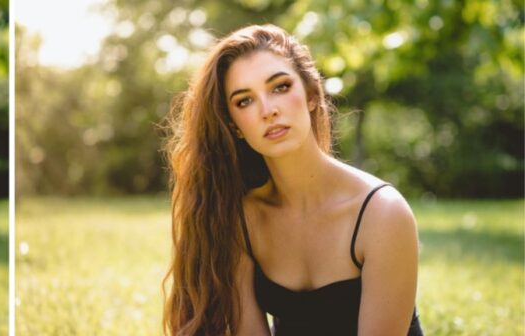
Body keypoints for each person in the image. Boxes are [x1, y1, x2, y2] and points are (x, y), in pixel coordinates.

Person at [162, 24, 423, 335]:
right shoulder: (243, 218)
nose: (268, 110)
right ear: (234, 127)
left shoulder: (381, 213)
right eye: (245, 101)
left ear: (312, 95)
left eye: (280, 87)